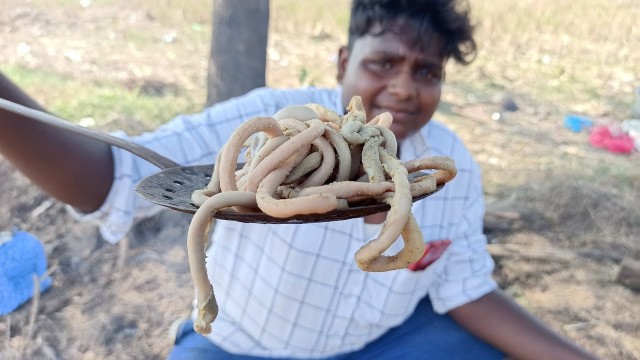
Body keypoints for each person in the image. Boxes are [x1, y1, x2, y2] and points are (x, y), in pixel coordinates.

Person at [0, 0, 597, 359]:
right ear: (343, 62)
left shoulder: (447, 166)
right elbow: (110, 177)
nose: (406, 88)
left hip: (384, 345)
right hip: (242, 349)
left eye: (427, 72)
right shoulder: (271, 123)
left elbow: (464, 286)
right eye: (383, 62)